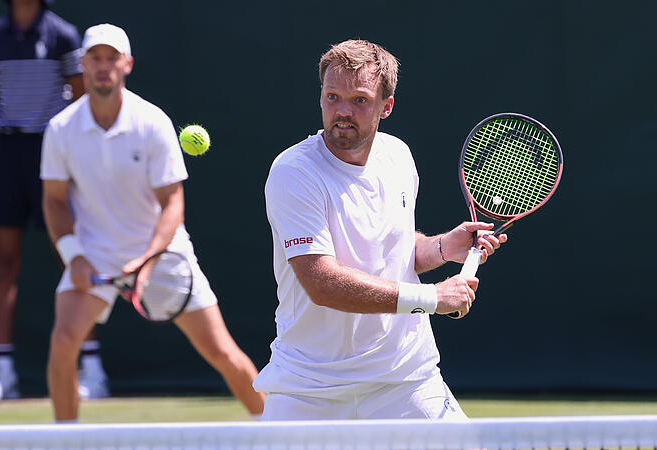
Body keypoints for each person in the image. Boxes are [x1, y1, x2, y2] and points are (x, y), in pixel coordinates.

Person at [254, 39, 507, 420]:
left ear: (385, 106)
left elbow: (392, 256)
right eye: (332, 96)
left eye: (359, 100)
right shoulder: (294, 172)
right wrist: (432, 298)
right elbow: (322, 283)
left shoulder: (398, 156)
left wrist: (441, 248)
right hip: (310, 387)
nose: (342, 111)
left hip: (405, 378)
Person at [40, 23, 265, 422]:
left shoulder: (152, 121)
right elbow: (55, 202)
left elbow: (173, 202)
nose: (104, 66)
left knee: (222, 352)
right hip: (96, 253)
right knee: (63, 342)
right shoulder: (61, 130)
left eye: (112, 58)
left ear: (127, 64)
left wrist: (149, 258)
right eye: (96, 58)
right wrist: (74, 257)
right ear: (83, 64)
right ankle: (67, 441)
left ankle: (281, 435)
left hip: (163, 253)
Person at [0, 0, 110, 401]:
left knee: (73, 259)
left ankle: (92, 370)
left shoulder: (63, 35)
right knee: (5, 263)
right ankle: (3, 372)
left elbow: (79, 96)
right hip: (8, 153)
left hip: (53, 154)